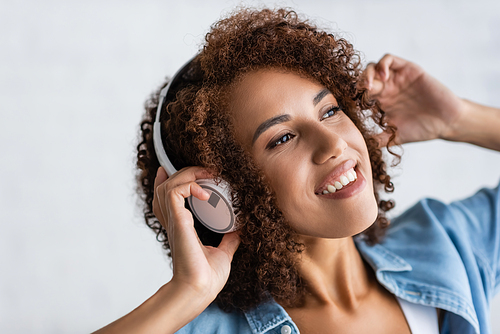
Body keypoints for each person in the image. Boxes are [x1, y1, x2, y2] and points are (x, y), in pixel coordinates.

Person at [94, 7, 500, 334]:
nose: (334, 143)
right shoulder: (207, 325)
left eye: (330, 111)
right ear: (223, 193)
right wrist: (185, 293)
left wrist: (459, 121)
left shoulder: (448, 245)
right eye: (282, 138)